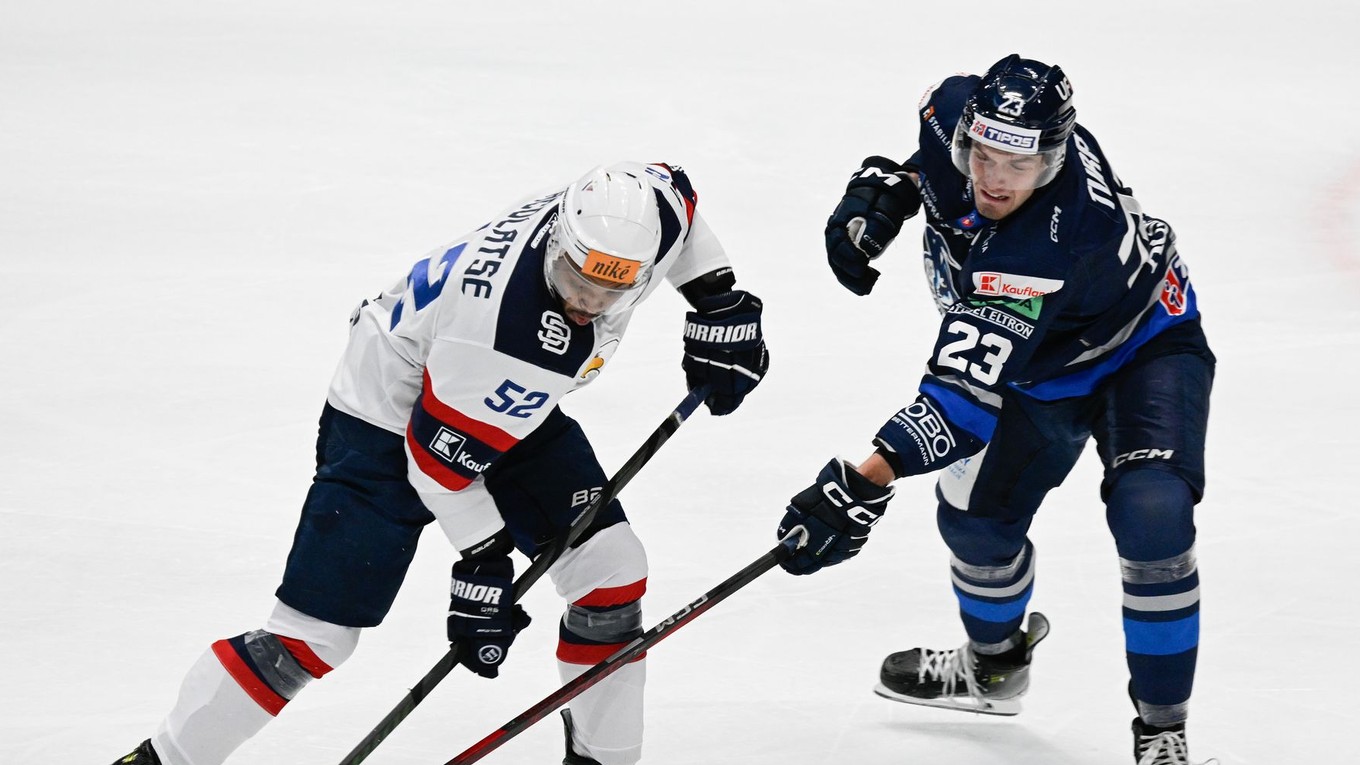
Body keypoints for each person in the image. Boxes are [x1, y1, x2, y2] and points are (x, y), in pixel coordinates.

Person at [111, 161, 769, 765]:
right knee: (313, 638)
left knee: (610, 569)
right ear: (558, 244)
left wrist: (718, 300)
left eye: (611, 287)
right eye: (576, 279)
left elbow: (680, 214)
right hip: (382, 421)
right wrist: (482, 560)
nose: (587, 302)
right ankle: (162, 759)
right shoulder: (510, 333)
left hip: (500, 408)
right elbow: (435, 463)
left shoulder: (641, 214)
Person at [775, 55, 1215, 765]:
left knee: (1153, 514)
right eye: (983, 153)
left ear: (1055, 156)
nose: (994, 178)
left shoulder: (1053, 239)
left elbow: (958, 403)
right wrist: (893, 188)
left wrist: (862, 480)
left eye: (1021, 163)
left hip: (1144, 346)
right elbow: (928, 152)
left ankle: (1162, 729)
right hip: (1037, 367)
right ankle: (994, 666)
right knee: (975, 528)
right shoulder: (954, 108)